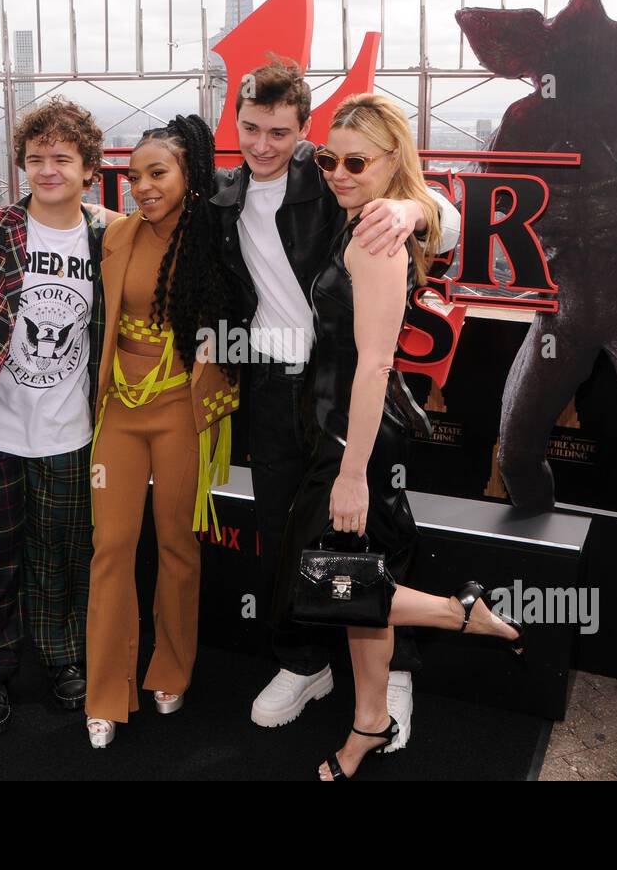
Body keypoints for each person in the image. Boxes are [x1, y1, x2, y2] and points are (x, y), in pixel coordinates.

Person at [269, 93, 525, 780]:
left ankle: (455, 610)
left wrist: (351, 472)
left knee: (320, 581)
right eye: (329, 158)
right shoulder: (359, 217)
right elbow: (438, 210)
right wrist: (415, 205)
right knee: (354, 591)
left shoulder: (376, 238)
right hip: (341, 428)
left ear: (391, 163)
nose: (339, 172)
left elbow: (377, 363)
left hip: (356, 438)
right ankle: (369, 724)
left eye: (356, 161)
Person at [209, 57, 462, 748]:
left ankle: (397, 675)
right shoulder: (220, 193)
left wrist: (419, 206)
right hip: (268, 387)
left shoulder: (329, 181)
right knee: (284, 542)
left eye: (280, 132)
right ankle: (303, 662)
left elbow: (442, 211)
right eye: (251, 127)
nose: (263, 144)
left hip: (343, 387)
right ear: (234, 122)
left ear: (302, 132)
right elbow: (148, 206)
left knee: (374, 534)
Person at [0, 97, 119, 734]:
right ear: (21, 164)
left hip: (72, 432)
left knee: (62, 557)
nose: (48, 169)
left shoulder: (108, 236)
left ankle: (63, 656)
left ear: (89, 167)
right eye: (36, 158)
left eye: (62, 158)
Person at [84, 114, 241, 748]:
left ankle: (171, 669)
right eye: (135, 174)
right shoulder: (116, 235)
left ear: (188, 174)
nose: (143, 185)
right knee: (111, 549)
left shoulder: (217, 236)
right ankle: (105, 692)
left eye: (158, 173)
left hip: (182, 411)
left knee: (178, 547)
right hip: (119, 412)